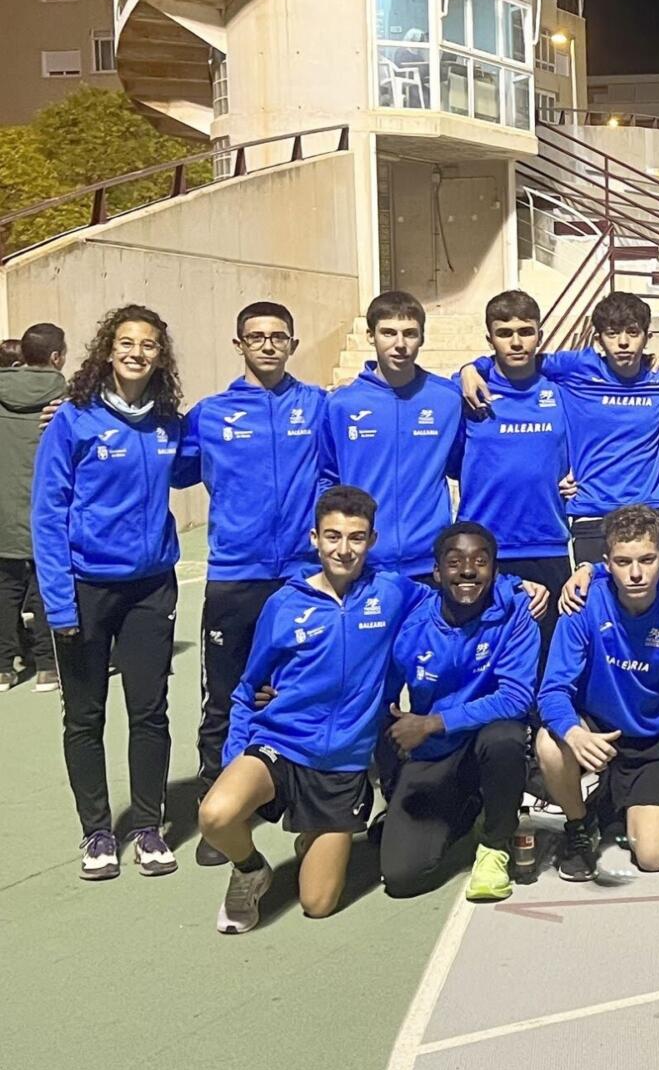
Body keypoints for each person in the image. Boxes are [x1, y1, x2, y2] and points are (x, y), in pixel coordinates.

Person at [198, 486, 426, 932]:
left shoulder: (393, 592)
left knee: (318, 904)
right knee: (216, 814)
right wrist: (233, 761)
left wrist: (520, 585)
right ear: (314, 538)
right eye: (333, 536)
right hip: (280, 744)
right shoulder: (284, 604)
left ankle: (314, 837)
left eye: (356, 538)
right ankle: (249, 869)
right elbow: (247, 689)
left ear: (372, 541)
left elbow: (454, 593)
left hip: (341, 765)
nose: (344, 549)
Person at [33, 304, 200, 881]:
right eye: (125, 343)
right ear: (108, 351)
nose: (136, 352)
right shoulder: (73, 420)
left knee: (149, 712)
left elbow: (193, 464)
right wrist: (57, 600)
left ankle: (148, 827)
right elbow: (47, 514)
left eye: (148, 345)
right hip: (84, 589)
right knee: (84, 715)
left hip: (151, 588)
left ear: (161, 356)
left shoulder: (168, 424)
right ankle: (98, 832)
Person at [181, 302, 330, 865]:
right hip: (234, 575)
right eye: (256, 337)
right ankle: (219, 803)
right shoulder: (210, 414)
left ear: (292, 343)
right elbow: (168, 465)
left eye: (278, 337)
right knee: (224, 695)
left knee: (305, 690)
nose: (267, 345)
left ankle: (307, 800)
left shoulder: (317, 406)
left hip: (299, 575)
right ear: (238, 343)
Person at [537, 504, 659, 881]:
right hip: (594, 731)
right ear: (607, 562)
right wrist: (574, 732)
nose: (635, 573)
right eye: (623, 561)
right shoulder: (581, 605)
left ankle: (615, 799)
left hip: (650, 742)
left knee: (652, 858)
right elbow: (553, 690)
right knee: (549, 743)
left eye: (646, 559)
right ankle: (579, 827)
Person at [379, 522, 539, 901]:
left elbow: (517, 697)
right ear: (437, 572)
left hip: (484, 742)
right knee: (401, 877)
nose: (468, 570)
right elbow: (381, 701)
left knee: (505, 736)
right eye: (455, 562)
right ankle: (468, 807)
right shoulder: (412, 623)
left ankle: (495, 844)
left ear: (495, 570)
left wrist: (434, 723)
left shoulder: (517, 611)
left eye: (480, 562)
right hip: (434, 753)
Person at [462, 291, 659, 564]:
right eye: (613, 333)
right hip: (593, 514)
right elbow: (518, 359)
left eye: (633, 332)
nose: (623, 342)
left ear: (647, 337)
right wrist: (471, 367)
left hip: (651, 511)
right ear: (598, 340)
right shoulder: (575, 368)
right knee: (591, 602)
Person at [455, 291, 569, 654]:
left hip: (547, 545)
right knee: (483, 660)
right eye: (505, 333)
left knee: (547, 662)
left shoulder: (562, 390)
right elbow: (452, 462)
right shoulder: (468, 395)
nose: (517, 341)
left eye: (526, 331)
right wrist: (469, 368)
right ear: (489, 338)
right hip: (484, 547)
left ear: (541, 335)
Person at [320, 291, 463, 576]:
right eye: (388, 333)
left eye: (410, 333)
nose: (400, 345)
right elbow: (326, 478)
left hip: (431, 561)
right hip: (362, 562)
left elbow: (465, 467)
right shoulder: (342, 404)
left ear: (422, 337)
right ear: (370, 336)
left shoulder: (447, 399)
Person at [0, 322, 64, 693]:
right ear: (56, 356)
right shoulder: (71, 396)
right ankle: (48, 666)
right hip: (48, 504)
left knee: (5, 588)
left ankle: (5, 667)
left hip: (4, 506)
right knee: (47, 584)